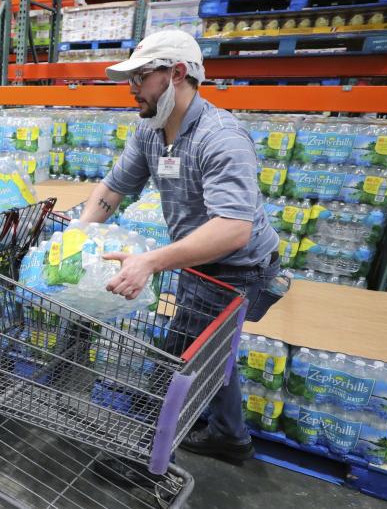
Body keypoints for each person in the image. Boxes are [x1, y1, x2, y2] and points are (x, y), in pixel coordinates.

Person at [78, 30, 282, 463]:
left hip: (238, 267)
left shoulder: (221, 137)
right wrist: (75, 237)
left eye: (140, 78)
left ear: (177, 74)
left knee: (179, 362)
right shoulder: (150, 131)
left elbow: (233, 230)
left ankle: (145, 456)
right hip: (201, 261)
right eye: (130, 79)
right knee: (211, 353)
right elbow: (114, 190)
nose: (131, 89)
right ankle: (230, 435)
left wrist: (149, 262)